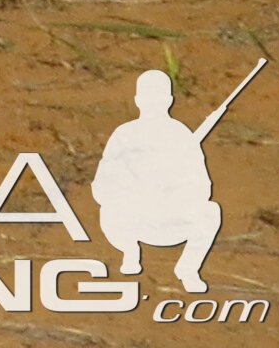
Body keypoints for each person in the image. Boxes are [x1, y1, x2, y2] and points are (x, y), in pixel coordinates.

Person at [90, 67, 224, 294]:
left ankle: (188, 269)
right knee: (107, 210)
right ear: (138, 100)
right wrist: (132, 190)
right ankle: (130, 251)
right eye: (148, 96)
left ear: (169, 100)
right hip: (130, 220)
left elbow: (203, 187)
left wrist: (172, 189)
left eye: (158, 96)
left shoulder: (181, 135)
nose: (153, 102)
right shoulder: (124, 134)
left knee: (211, 212)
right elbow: (102, 184)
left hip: (170, 219)